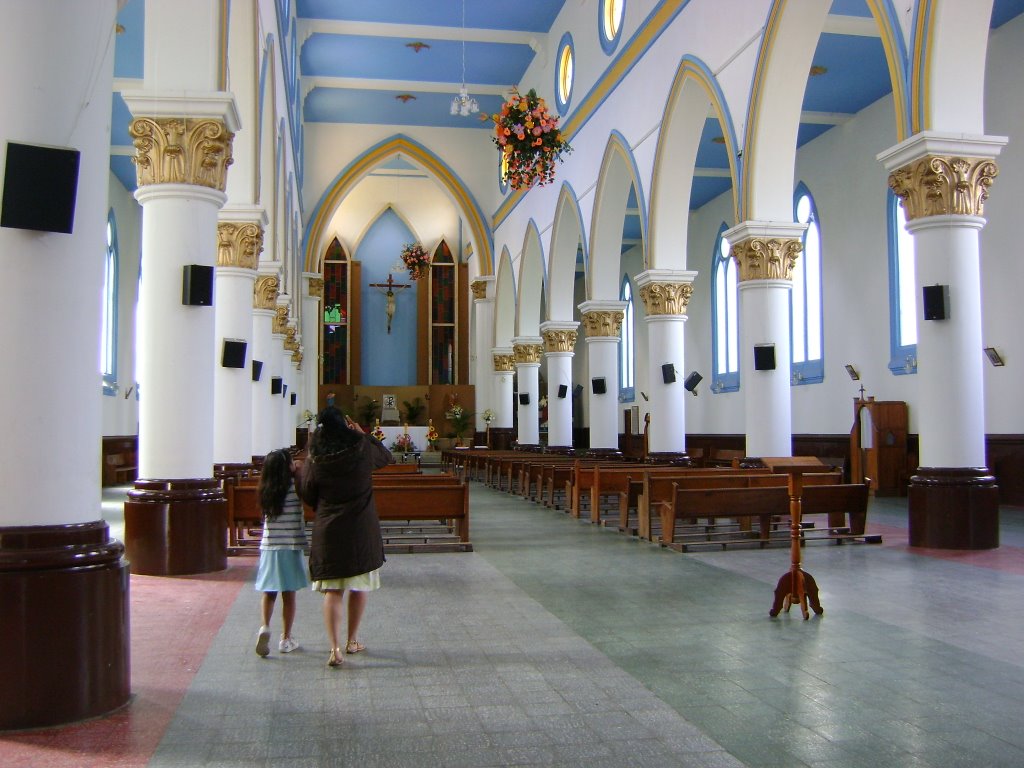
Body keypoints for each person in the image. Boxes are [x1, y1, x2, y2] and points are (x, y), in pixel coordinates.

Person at [297, 406, 394, 667]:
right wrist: (364, 435)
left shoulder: (316, 457)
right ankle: (352, 640)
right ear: (346, 425)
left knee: (333, 591)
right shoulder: (361, 450)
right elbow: (387, 457)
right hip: (360, 529)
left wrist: (325, 506)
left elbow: (306, 491)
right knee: (359, 587)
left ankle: (334, 648)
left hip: (329, 529)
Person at [254, 448, 309, 657]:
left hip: (269, 547)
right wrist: (298, 471)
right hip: (291, 545)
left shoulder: (266, 490)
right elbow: (306, 482)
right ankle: (286, 638)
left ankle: (265, 626)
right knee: (289, 594)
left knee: (269, 591)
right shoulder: (295, 488)